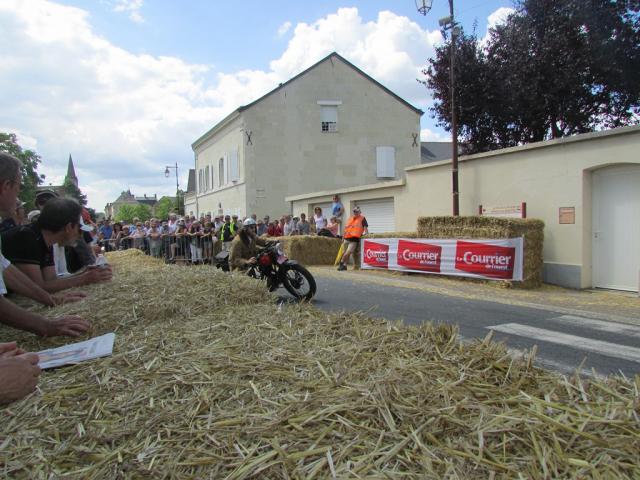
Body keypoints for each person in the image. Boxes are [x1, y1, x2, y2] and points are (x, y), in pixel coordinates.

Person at [0, 153, 90, 337]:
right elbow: (40, 283)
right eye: (19, 185)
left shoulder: (40, 240)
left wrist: (51, 300)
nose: (19, 194)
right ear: (6, 186)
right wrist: (46, 326)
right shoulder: (26, 237)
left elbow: (6, 269)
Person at [1, 197, 113, 292]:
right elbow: (39, 287)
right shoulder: (26, 238)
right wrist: (84, 279)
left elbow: (51, 281)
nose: (80, 236)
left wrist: (84, 273)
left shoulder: (45, 240)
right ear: (69, 227)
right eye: (79, 229)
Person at [337, 206, 368, 271]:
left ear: (360, 212)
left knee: (348, 253)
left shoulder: (362, 218)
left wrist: (366, 234)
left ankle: (341, 262)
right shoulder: (350, 218)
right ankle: (344, 266)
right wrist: (343, 236)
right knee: (345, 253)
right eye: (354, 211)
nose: (355, 213)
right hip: (346, 238)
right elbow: (346, 228)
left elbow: (365, 227)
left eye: (356, 211)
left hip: (354, 239)